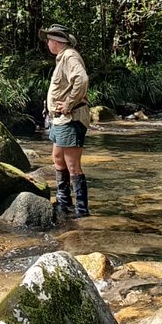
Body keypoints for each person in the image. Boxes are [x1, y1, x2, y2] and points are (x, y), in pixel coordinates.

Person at [40, 24, 91, 217]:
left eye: (49, 40)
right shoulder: (64, 57)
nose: (47, 44)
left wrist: (69, 103)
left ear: (57, 42)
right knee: (58, 159)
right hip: (61, 120)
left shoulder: (70, 56)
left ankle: (81, 211)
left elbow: (82, 80)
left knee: (72, 165)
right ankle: (64, 204)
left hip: (71, 118)